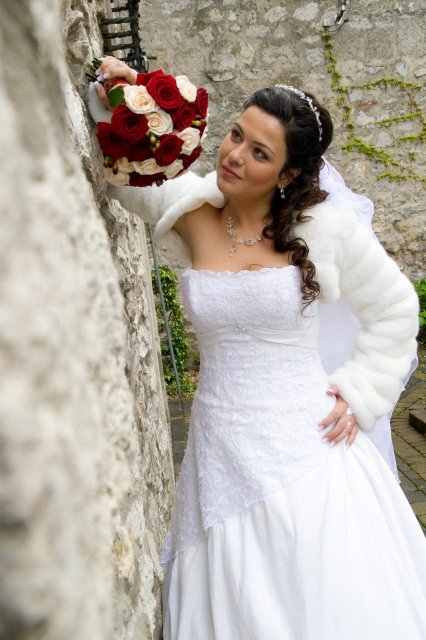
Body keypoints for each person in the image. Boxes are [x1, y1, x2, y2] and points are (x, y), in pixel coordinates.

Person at [92, 57, 426, 639]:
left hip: (307, 444)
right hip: (219, 445)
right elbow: (128, 172)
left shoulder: (326, 230)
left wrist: (362, 391)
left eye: (259, 152)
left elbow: (396, 309)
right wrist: (123, 97)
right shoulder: (191, 209)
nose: (234, 155)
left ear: (288, 174)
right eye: (235, 134)